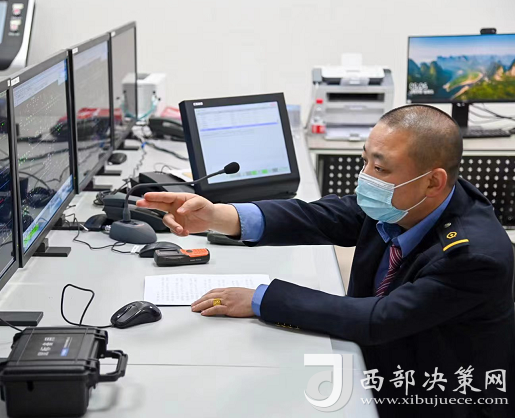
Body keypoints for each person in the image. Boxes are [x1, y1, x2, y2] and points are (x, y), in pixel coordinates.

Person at [137, 105, 515, 417]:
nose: (365, 178)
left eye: (380, 168)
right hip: (383, 364)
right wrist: (218, 216)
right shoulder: (408, 200)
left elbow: (380, 318)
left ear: (433, 181)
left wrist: (261, 299)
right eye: (365, 161)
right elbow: (321, 217)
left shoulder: (473, 257)